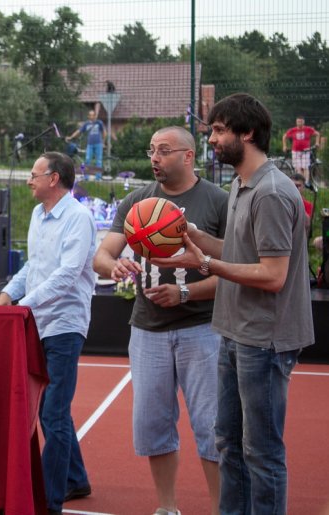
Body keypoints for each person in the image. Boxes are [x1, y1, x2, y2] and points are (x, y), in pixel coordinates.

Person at [152, 93, 314, 515]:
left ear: (247, 133)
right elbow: (240, 251)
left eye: (220, 131)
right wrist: (190, 233)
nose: (213, 140)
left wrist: (204, 263)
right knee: (229, 442)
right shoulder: (241, 185)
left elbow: (273, 275)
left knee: (261, 452)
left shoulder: (272, 193)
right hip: (234, 332)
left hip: (265, 338)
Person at [93, 126, 227, 515]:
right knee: (153, 426)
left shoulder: (216, 201)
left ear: (188, 156)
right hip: (147, 329)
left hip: (203, 329)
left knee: (212, 427)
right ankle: (167, 507)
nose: (154, 157)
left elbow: (234, 273)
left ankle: (223, 509)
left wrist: (185, 292)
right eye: (151, 150)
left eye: (164, 150)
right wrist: (113, 264)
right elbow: (102, 254)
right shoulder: (138, 201)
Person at [0, 151, 96, 515]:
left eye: (34, 174)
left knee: (52, 413)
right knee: (54, 411)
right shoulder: (39, 215)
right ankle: (75, 479)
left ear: (54, 179)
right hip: (38, 321)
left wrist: (25, 305)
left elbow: (68, 275)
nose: (28, 180)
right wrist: (7, 294)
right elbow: (34, 267)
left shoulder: (79, 218)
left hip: (65, 325)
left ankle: (49, 503)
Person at [282, 116, 320, 186]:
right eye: (298, 121)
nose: (299, 123)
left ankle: (306, 182)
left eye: (300, 121)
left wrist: (317, 142)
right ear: (296, 122)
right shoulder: (293, 130)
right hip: (296, 151)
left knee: (305, 167)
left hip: (305, 151)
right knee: (298, 167)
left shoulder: (308, 129)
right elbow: (284, 136)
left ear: (303, 122)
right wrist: (284, 146)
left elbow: (317, 134)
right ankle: (300, 182)